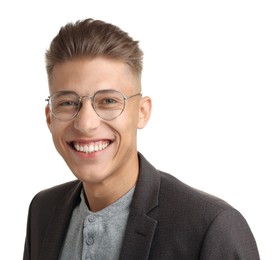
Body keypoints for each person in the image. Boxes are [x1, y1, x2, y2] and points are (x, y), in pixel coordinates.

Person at [23, 18, 260, 260]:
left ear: (142, 112)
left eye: (108, 101)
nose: (85, 123)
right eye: (67, 103)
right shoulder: (43, 210)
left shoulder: (212, 227)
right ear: (49, 117)